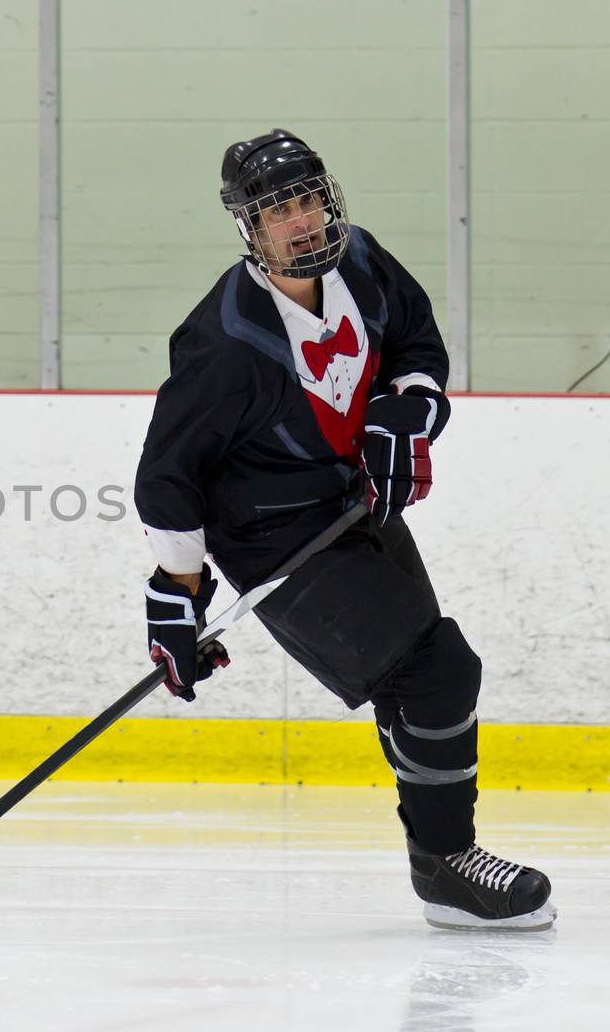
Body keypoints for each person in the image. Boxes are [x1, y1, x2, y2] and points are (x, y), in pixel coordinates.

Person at [134, 129, 555, 931]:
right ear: (249, 231)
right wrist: (177, 589)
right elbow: (166, 476)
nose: (300, 222)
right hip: (279, 540)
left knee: (413, 678)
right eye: (277, 212)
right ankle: (447, 863)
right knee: (439, 670)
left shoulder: (359, 262)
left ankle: (435, 849)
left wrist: (405, 412)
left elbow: (417, 342)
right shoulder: (225, 343)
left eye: (308, 200)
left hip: (357, 504)